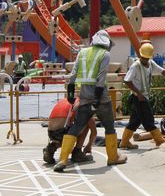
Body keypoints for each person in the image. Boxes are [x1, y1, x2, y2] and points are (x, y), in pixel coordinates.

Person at [54, 30, 126, 172]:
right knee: (109, 127)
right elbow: (101, 77)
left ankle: (62, 160)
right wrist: (97, 99)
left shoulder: (82, 53)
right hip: (101, 98)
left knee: (76, 127)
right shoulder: (105, 54)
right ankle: (113, 157)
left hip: (84, 97)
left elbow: (73, 74)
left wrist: (70, 93)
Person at [120, 41, 165, 149]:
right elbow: (127, 81)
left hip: (143, 96)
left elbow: (161, 71)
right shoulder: (135, 66)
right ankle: (159, 140)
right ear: (140, 55)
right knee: (149, 119)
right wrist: (138, 93)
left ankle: (124, 142)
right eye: (143, 57)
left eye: (147, 58)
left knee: (135, 121)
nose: (145, 59)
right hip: (138, 98)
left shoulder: (151, 63)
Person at [43, 97, 96, 165]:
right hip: (63, 132)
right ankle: (77, 152)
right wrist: (89, 145)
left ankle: (51, 148)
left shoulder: (67, 100)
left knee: (67, 133)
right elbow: (94, 131)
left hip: (51, 132)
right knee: (86, 124)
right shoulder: (83, 105)